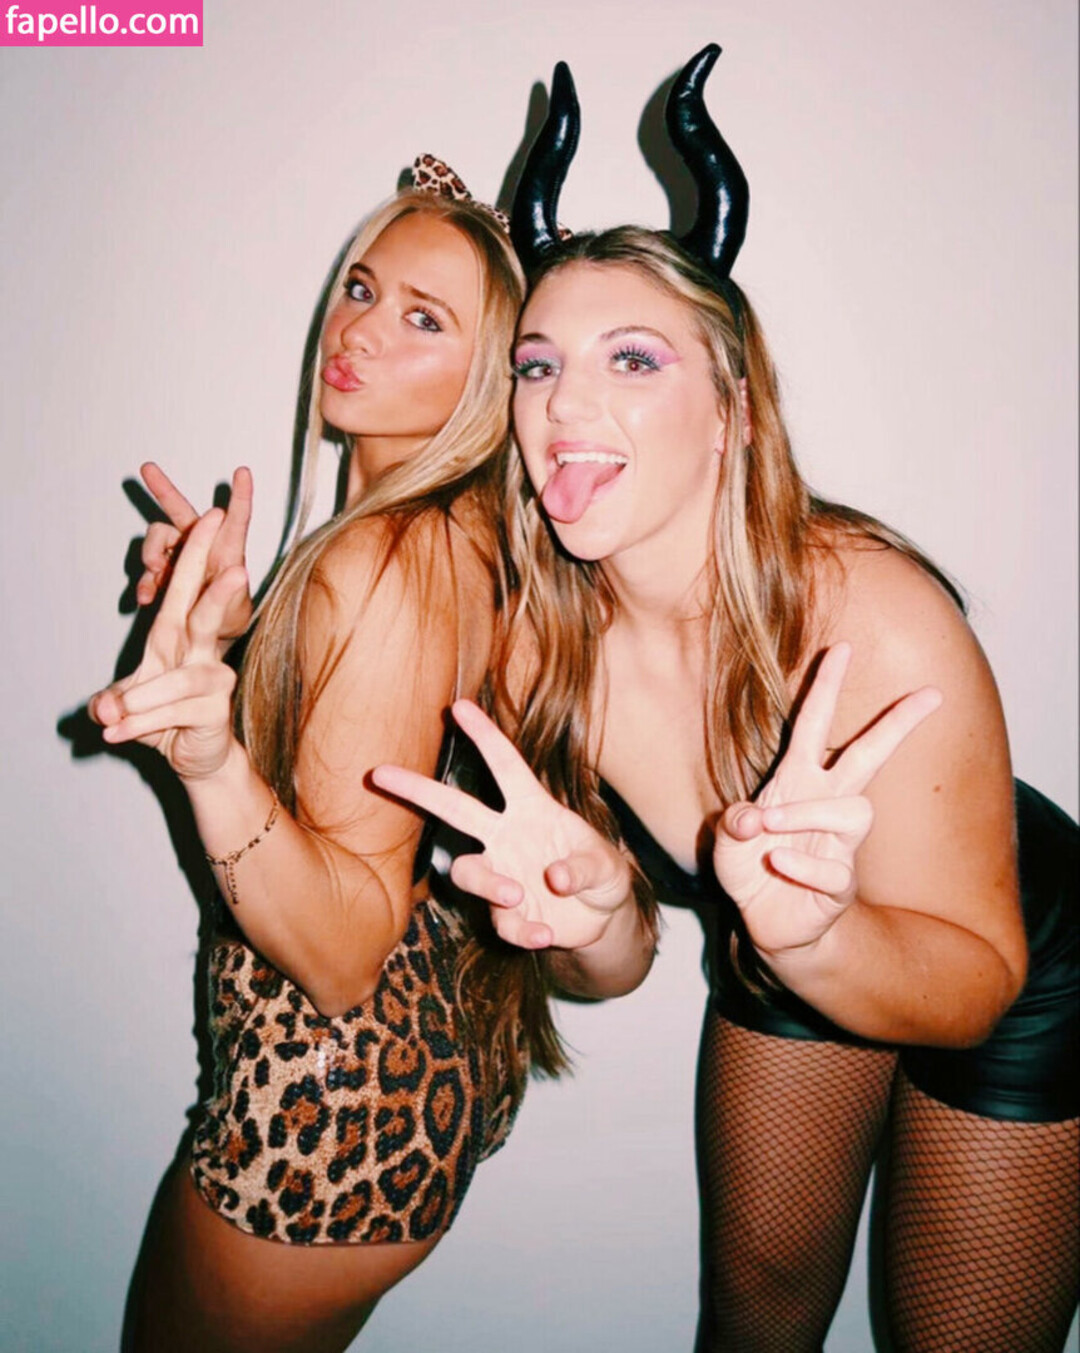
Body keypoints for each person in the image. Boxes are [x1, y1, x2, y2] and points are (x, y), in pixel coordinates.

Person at [383, 50, 1079, 1353]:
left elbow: (974, 982)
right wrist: (592, 915)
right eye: (537, 365)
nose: (567, 404)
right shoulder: (535, 644)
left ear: (733, 415)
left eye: (633, 360)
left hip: (1013, 969)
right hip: (787, 943)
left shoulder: (871, 613)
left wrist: (824, 936)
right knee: (755, 1314)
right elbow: (614, 966)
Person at [91, 175, 655, 1353]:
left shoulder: (385, 563)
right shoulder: (447, 539)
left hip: (320, 1111)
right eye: (361, 289)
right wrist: (233, 638)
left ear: (489, 382)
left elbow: (344, 951)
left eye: (423, 318)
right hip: (402, 1088)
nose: (358, 331)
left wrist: (209, 761)